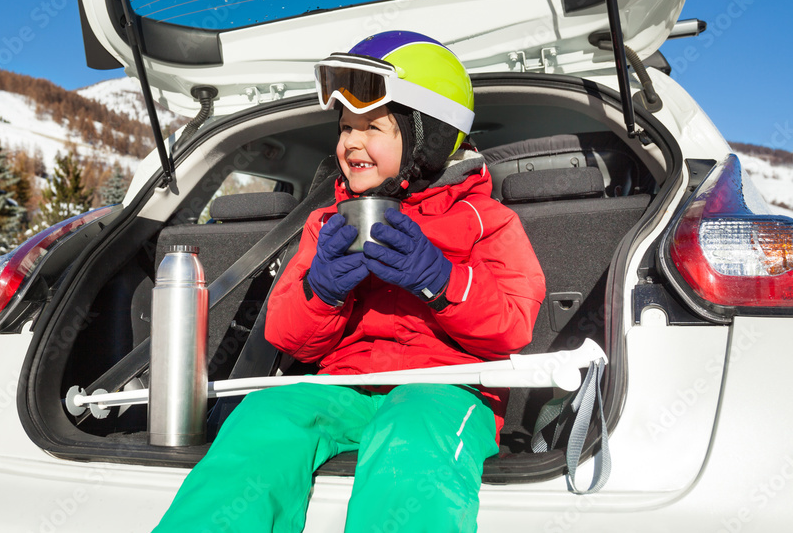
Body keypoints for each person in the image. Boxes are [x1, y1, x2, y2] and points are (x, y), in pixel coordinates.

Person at [153, 31, 545, 532]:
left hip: (444, 390)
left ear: (431, 136)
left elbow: (514, 325)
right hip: (344, 388)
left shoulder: (485, 218)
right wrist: (322, 292)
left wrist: (443, 282)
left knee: (412, 443)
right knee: (264, 416)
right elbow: (287, 335)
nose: (351, 143)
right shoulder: (327, 223)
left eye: (372, 127)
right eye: (344, 128)